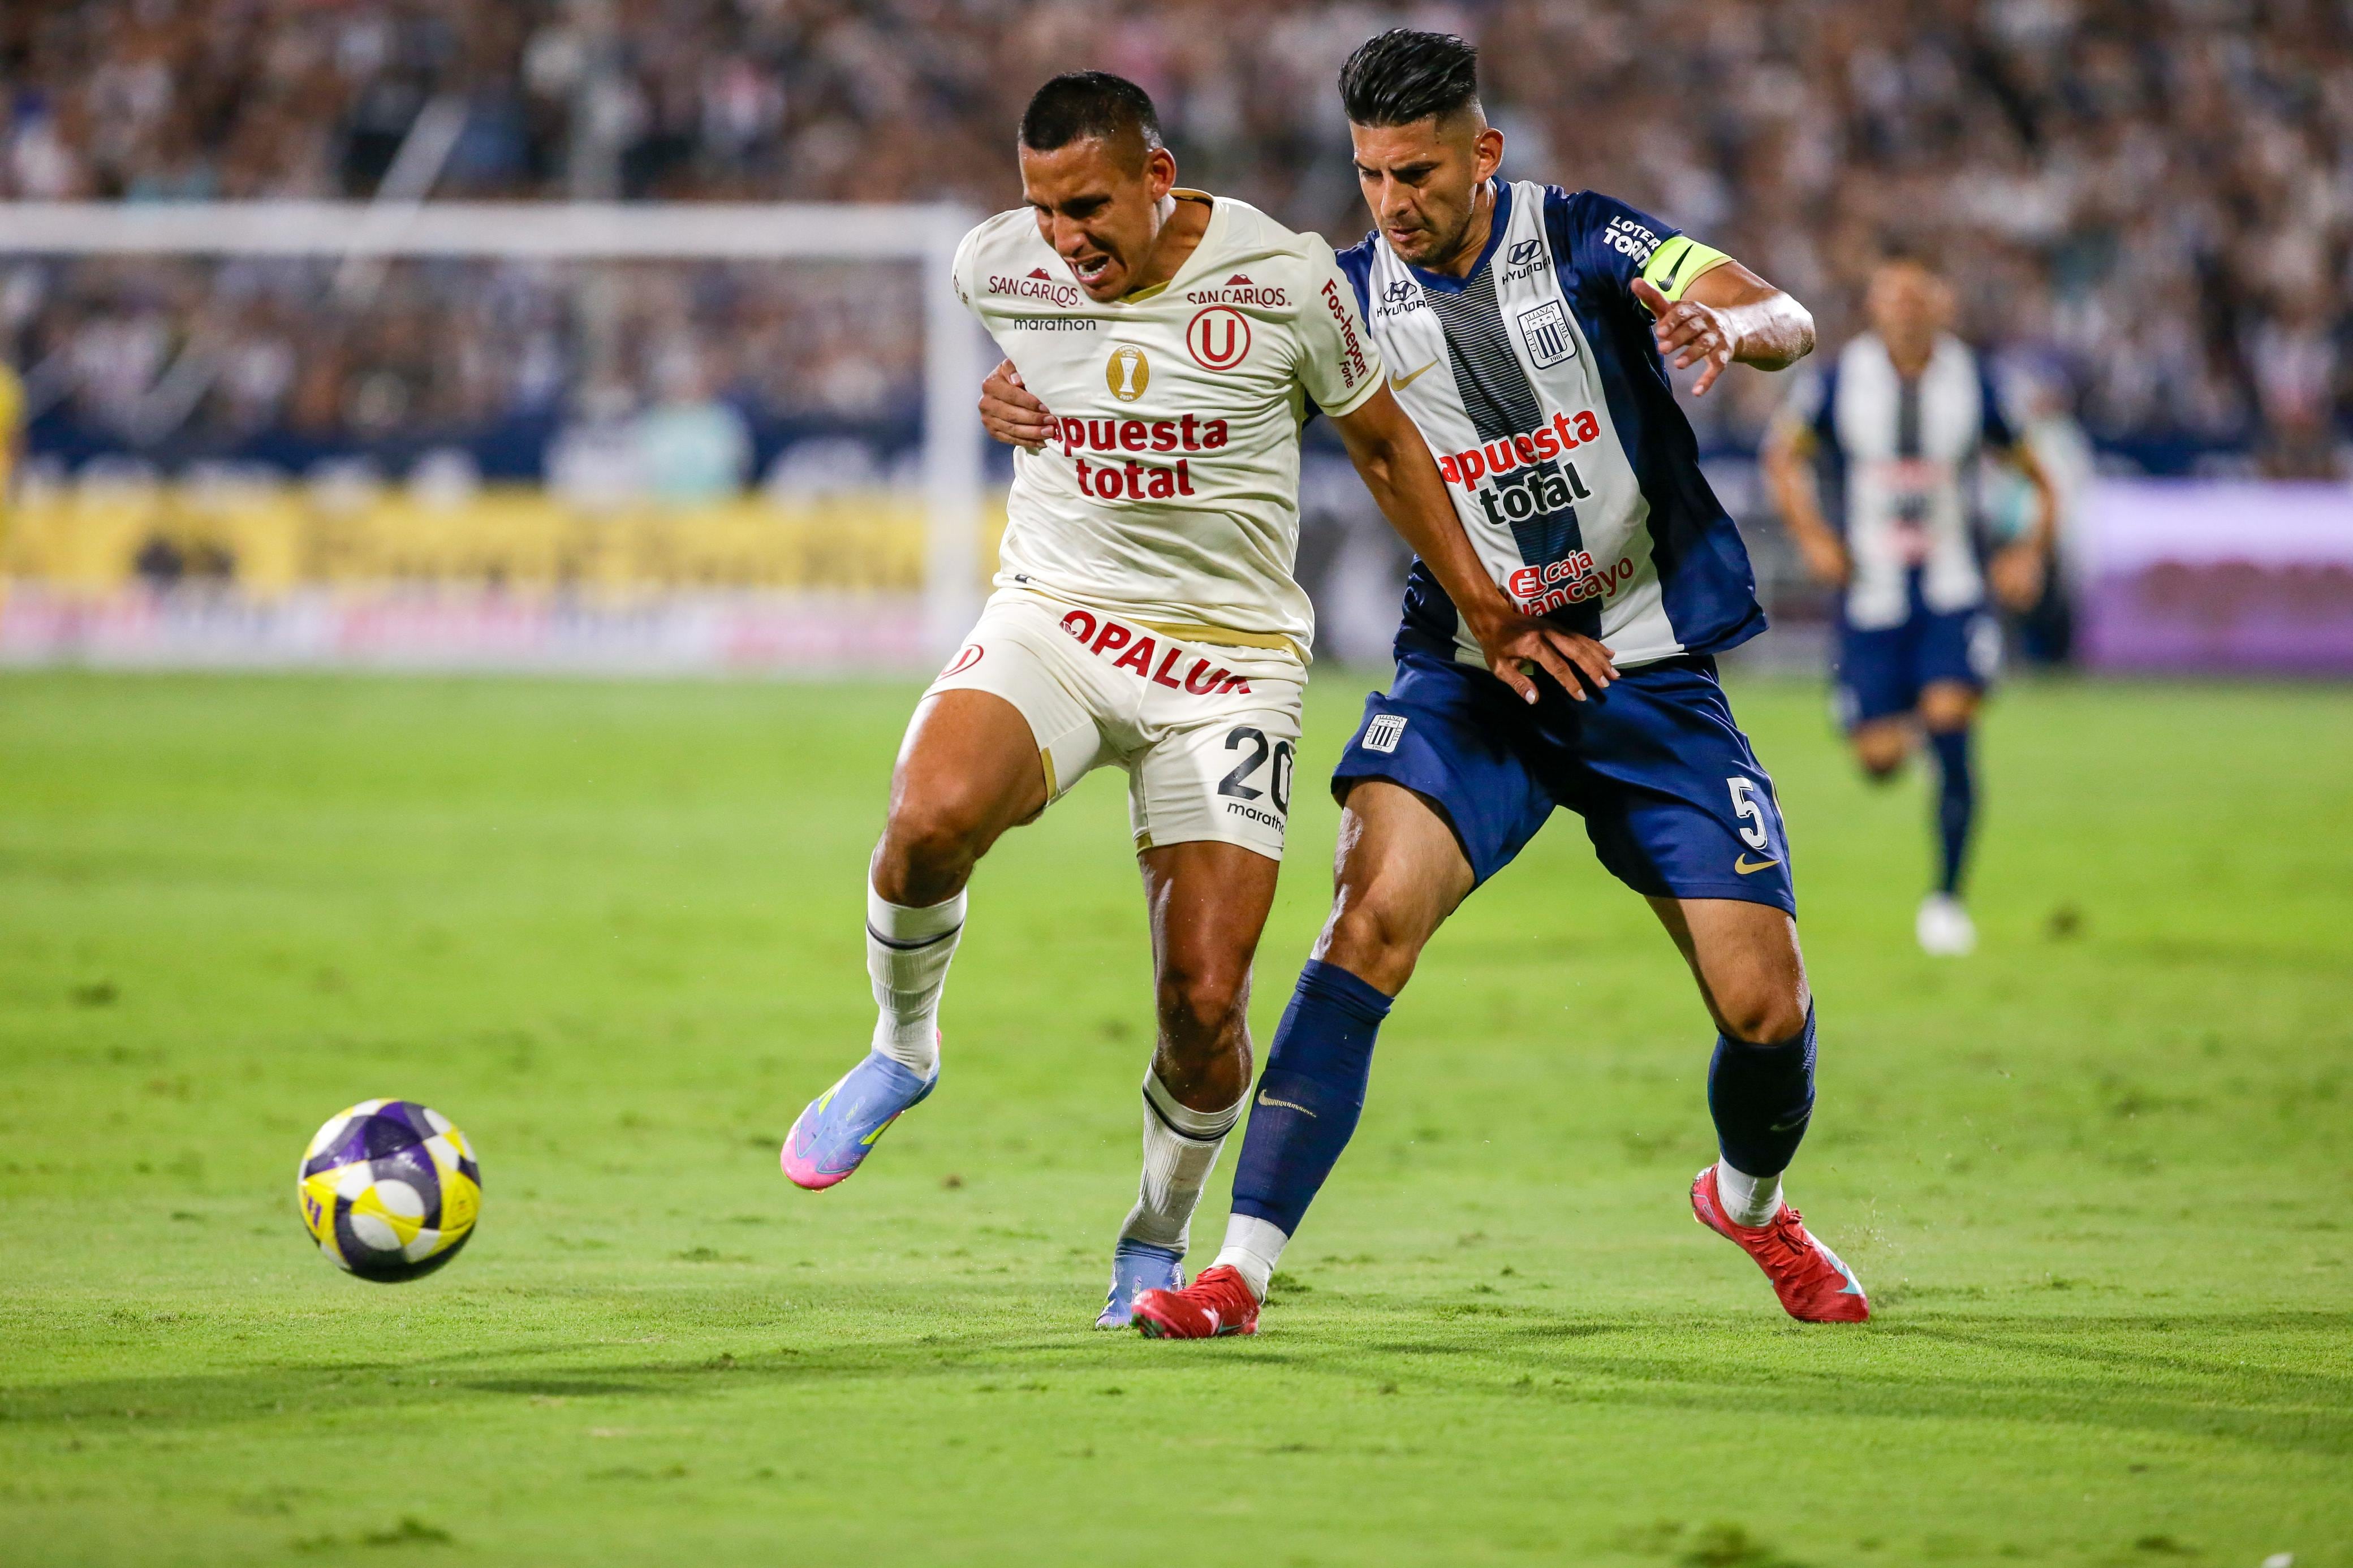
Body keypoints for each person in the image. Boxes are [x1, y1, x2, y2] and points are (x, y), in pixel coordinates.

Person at [982, 29, 1866, 1336]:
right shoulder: (1329, 298)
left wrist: (1728, 323)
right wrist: (1043, 385)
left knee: (1762, 1004)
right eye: (1373, 176)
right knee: (1366, 921)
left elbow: (1776, 308)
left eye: (1420, 172)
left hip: (1647, 670)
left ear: (1482, 153)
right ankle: (1236, 1272)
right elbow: (1168, 379)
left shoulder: (1589, 239)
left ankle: (1748, 1202)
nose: (1395, 203)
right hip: (1468, 674)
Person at [781, 71, 1605, 1332]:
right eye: (1044, 211)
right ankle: (902, 1049)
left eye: (1091, 207)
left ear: (1158, 178)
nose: (1066, 240)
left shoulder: (1282, 279)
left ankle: (1152, 1237)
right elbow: (1029, 368)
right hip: (1058, 616)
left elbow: (1384, 444)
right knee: (926, 820)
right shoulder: (995, 265)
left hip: (1227, 662)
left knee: (1205, 1003)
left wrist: (1489, 607)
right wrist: (1004, 397)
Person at [1761, 259, 2058, 956]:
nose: (1904, 310)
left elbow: (2039, 477)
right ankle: (1914, 729)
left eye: (1917, 296)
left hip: (1952, 588)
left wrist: (2025, 552)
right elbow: (1783, 456)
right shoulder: (1838, 381)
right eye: (1891, 297)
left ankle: (1946, 900)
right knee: (1878, 760)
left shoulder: (1977, 382)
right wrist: (1812, 536)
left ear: (1940, 303)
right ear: (1872, 306)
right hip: (1872, 593)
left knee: (1952, 719)